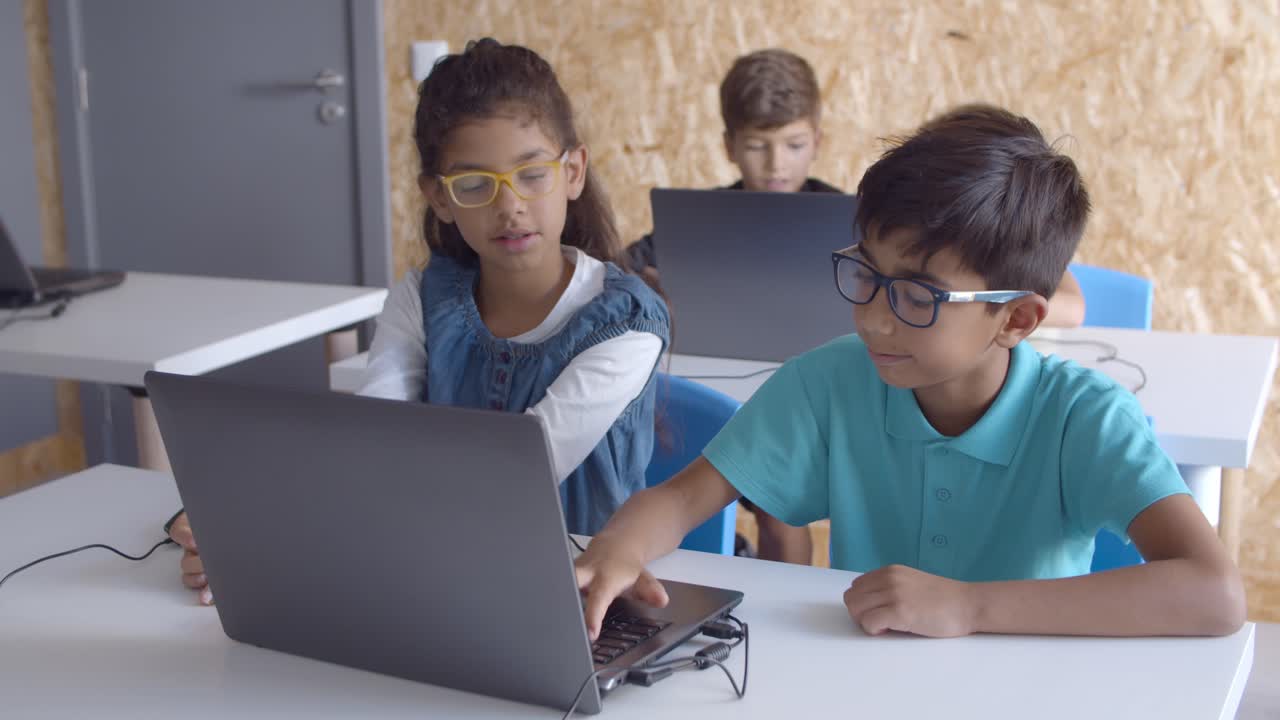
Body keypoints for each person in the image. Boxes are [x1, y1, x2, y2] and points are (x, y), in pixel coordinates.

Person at [574, 104, 1244, 640]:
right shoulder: (833, 381)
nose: (872, 317)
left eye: (918, 296)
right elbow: (680, 499)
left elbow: (1213, 594)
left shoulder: (1083, 417)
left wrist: (969, 608)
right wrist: (619, 547)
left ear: (1015, 320)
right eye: (867, 274)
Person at [170, 38, 671, 606]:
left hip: (577, 597)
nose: (509, 206)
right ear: (438, 197)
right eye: (475, 185)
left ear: (573, 172)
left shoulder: (627, 322)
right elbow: (378, 441)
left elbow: (514, 476)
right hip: (434, 578)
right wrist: (249, 526)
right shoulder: (421, 299)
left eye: (532, 174)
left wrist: (285, 526)